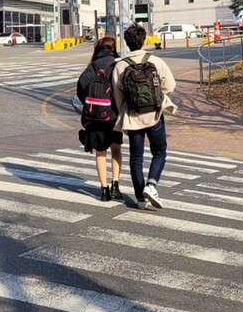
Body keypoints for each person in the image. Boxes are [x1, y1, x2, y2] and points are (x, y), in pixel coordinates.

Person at [112, 24, 177, 210]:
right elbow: (170, 86)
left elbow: (118, 96)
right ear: (144, 40)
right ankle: (151, 184)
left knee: (136, 158)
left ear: (126, 42)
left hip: (133, 116)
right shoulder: (156, 61)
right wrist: (156, 96)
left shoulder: (120, 65)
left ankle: (140, 198)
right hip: (154, 114)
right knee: (159, 152)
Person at [76, 37, 124, 201]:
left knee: (100, 152)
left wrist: (92, 106)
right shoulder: (116, 64)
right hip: (113, 116)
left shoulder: (92, 66)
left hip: (95, 117)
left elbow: (80, 88)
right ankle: (115, 185)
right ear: (113, 48)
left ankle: (104, 189)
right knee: (116, 149)